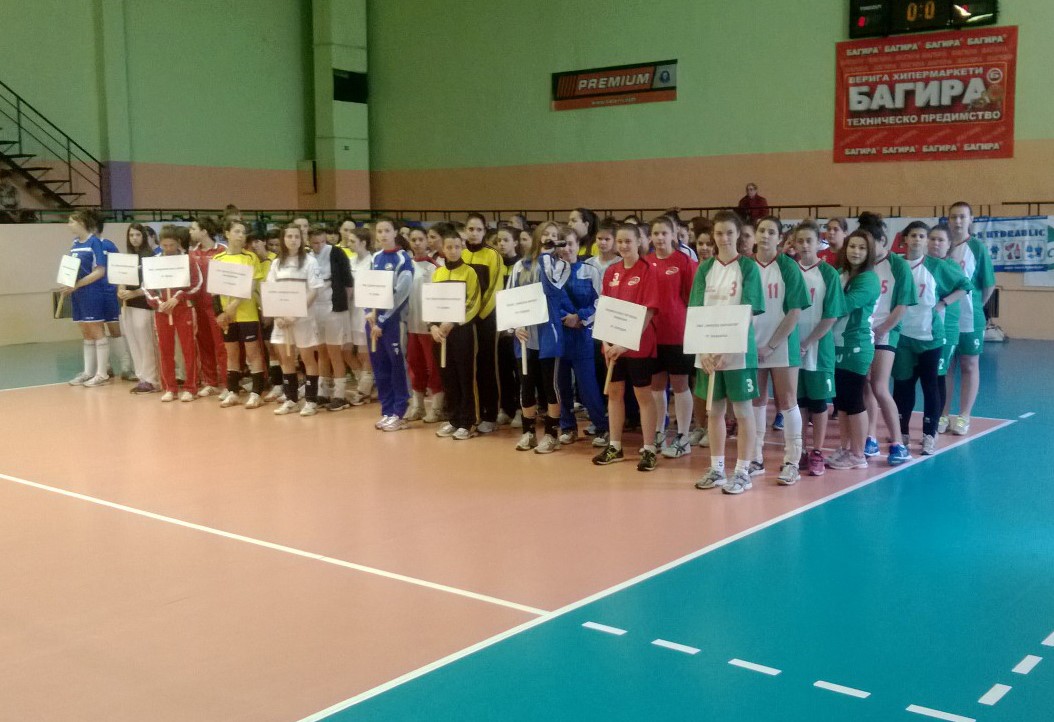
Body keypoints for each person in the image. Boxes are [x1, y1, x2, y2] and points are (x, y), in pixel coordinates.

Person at [691, 210, 766, 495]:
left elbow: (749, 310)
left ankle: (743, 471)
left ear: (738, 235)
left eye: (729, 233)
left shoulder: (748, 268)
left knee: (743, 411)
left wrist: (728, 347)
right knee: (714, 411)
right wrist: (704, 349)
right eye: (719, 233)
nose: (724, 238)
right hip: (708, 351)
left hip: (737, 352)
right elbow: (696, 310)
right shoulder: (704, 269)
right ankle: (717, 468)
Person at [891, 222, 971, 455]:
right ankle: (902, 433)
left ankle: (929, 434)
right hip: (902, 336)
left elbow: (965, 285)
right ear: (905, 239)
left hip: (930, 336)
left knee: (931, 385)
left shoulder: (937, 266)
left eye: (922, 236)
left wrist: (944, 302)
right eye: (913, 235)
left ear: (926, 240)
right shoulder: (896, 265)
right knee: (903, 385)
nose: (917, 239)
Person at [591, 223, 661, 472]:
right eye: (619, 241)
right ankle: (615, 446)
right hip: (612, 346)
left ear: (639, 242)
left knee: (643, 395)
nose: (623, 245)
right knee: (614, 393)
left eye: (628, 241)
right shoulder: (611, 271)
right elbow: (605, 309)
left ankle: (649, 448)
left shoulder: (648, 271)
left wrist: (624, 343)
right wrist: (606, 342)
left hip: (638, 346)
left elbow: (649, 311)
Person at [748, 216, 810, 485]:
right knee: (756, 400)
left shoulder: (788, 267)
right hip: (752, 344)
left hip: (782, 345)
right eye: (761, 230)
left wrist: (771, 345)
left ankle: (792, 462)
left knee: (787, 401)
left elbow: (794, 312)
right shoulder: (746, 266)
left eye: (771, 232)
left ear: (780, 238)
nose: (765, 235)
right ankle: (755, 458)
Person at [509, 221, 571, 454]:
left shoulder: (561, 265)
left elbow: (552, 288)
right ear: (537, 236)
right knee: (526, 385)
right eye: (546, 234)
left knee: (549, 386)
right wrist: (514, 326)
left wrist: (546, 257)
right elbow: (510, 297)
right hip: (525, 335)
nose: (550, 237)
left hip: (548, 334)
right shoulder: (519, 266)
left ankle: (552, 434)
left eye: (554, 235)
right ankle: (528, 432)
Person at [859, 212, 915, 465]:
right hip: (863, 331)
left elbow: (902, 305)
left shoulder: (898, 265)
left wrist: (882, 329)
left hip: (885, 331)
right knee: (865, 385)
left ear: (882, 240)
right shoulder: (863, 264)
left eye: (870, 244)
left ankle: (898, 443)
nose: (866, 249)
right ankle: (869, 436)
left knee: (880, 386)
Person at [793, 220, 847, 476]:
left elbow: (831, 315)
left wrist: (807, 342)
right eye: (800, 241)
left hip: (817, 349)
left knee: (818, 403)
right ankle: (801, 450)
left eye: (809, 241)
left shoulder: (829, 274)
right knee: (799, 403)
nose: (804, 245)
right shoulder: (790, 271)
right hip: (792, 349)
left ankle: (817, 451)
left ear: (818, 243)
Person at [827, 229, 881, 470]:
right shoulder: (841, 274)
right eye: (852, 246)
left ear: (869, 252)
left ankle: (858, 454)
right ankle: (845, 448)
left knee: (853, 399)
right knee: (841, 402)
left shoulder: (869, 279)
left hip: (856, 345)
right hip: (836, 344)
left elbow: (842, 305)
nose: (856, 251)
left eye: (862, 248)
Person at [645, 216, 698, 458]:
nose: (659, 238)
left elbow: (691, 297)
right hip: (652, 334)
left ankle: (683, 437)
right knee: (656, 386)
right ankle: (659, 430)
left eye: (664, 233)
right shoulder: (646, 263)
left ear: (673, 235)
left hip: (678, 333)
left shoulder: (685, 262)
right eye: (655, 233)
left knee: (680, 385)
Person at [945, 201, 996, 435]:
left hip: (970, 318)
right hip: (945, 318)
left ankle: (964, 416)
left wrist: (975, 307)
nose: (957, 221)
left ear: (971, 219)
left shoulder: (977, 248)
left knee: (969, 364)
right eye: (953, 217)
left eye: (962, 217)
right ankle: (943, 414)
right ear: (948, 219)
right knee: (945, 366)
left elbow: (989, 285)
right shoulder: (942, 246)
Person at [556, 227, 608, 447]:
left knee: (588, 385)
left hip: (583, 336)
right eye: (562, 244)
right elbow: (548, 301)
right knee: (562, 385)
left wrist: (580, 317)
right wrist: (564, 318)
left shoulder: (590, 271)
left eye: (570, 243)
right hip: (559, 336)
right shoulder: (551, 272)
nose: (567, 248)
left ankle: (601, 427)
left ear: (578, 245)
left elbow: (600, 301)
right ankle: (567, 427)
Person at [431, 227, 483, 440]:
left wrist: (452, 322)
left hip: (462, 332)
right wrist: (433, 326)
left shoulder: (469, 272)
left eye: (456, 247)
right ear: (442, 249)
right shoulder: (438, 273)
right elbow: (432, 302)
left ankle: (468, 421)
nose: (453, 251)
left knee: (464, 376)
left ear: (462, 248)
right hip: (442, 335)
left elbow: (473, 302)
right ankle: (453, 419)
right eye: (449, 247)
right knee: (448, 376)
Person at [268, 224, 325, 416]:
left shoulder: (310, 262)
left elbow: (314, 291)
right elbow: (271, 291)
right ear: (283, 239)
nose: (293, 240)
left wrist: (296, 313)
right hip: (282, 320)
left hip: (303, 319)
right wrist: (278, 315)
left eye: (297, 237)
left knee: (307, 358)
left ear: (302, 240)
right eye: (289, 236)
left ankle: (311, 401)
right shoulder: (276, 263)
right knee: (286, 358)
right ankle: (291, 399)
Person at [366, 217, 415, 431]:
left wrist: (382, 320)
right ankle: (386, 410)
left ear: (395, 233)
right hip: (373, 323)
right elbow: (368, 288)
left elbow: (401, 294)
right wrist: (368, 313)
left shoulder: (403, 259)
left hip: (393, 322)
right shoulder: (375, 258)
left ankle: (400, 412)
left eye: (387, 230)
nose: (383, 235)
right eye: (379, 231)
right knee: (380, 367)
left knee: (396, 367)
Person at [213, 218, 268, 409]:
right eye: (237, 231)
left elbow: (252, 285)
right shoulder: (218, 259)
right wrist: (220, 313)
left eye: (243, 232)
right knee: (232, 353)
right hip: (227, 316)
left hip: (247, 313)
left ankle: (256, 393)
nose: (241, 235)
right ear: (227, 234)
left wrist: (235, 304)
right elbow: (214, 290)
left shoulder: (250, 257)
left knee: (253, 352)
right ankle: (233, 392)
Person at [143, 225, 201, 401]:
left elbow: (197, 284)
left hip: (183, 310)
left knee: (188, 349)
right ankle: (170, 387)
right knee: (165, 349)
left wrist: (178, 298)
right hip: (162, 312)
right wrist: (158, 303)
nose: (168, 249)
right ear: (160, 244)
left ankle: (190, 388)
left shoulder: (187, 260)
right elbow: (146, 287)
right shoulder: (154, 262)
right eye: (165, 245)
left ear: (178, 243)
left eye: (172, 245)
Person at [462, 213, 504, 433]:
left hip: (485, 320)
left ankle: (489, 414)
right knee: (465, 367)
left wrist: (477, 314)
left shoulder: (492, 255)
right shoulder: (460, 254)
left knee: (487, 366)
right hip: (462, 322)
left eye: (479, 229)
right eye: (471, 229)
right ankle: (467, 414)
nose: (474, 233)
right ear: (465, 231)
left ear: (485, 231)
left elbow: (495, 288)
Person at [62, 209, 113, 387]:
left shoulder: (95, 242)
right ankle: (88, 372)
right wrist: (67, 283)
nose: (69, 225)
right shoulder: (75, 243)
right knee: (86, 332)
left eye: (72, 221)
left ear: (82, 223)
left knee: (96, 330)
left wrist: (78, 284)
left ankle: (102, 374)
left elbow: (100, 271)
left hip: (92, 291)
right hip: (78, 293)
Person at [307, 226, 354, 410]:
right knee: (321, 351)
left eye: (322, 242)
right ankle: (323, 391)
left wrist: (344, 306)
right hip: (315, 308)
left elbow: (348, 282)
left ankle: (340, 394)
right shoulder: (307, 256)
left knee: (335, 352)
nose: (319, 246)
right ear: (309, 242)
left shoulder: (337, 253)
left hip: (335, 308)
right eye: (315, 243)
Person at [927, 225, 964, 432]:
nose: (935, 243)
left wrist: (943, 303)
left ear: (949, 244)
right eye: (932, 239)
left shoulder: (951, 266)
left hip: (945, 326)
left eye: (940, 240)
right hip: (921, 329)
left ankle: (940, 417)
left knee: (939, 374)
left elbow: (965, 287)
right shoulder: (921, 263)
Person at [405, 227, 444, 421]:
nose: (417, 243)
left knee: (433, 366)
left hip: (429, 327)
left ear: (427, 241)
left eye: (421, 239)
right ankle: (418, 405)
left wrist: (435, 323)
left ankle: (437, 407)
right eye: (413, 239)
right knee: (415, 365)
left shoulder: (435, 267)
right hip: (411, 325)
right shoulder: (406, 265)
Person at [117, 224, 160, 394]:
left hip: (144, 305)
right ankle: (141, 377)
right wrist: (121, 290)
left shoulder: (150, 257)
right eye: (131, 235)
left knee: (146, 342)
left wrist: (134, 293)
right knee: (133, 342)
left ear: (143, 236)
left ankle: (152, 379)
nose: (134, 238)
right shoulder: (126, 257)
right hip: (127, 305)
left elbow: (152, 284)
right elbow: (120, 278)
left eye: (137, 235)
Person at [188, 215, 227, 397]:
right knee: (204, 344)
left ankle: (227, 383)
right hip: (198, 305)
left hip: (218, 306)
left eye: (193, 228)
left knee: (222, 345)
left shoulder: (222, 250)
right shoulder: (192, 253)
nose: (190, 231)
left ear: (204, 231)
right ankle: (210, 382)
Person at [344, 223, 376, 404]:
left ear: (363, 243)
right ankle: (364, 382)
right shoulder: (349, 261)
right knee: (346, 352)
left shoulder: (373, 262)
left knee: (365, 354)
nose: (349, 244)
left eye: (352, 241)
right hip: (350, 310)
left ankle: (364, 389)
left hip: (365, 312)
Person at [494, 225, 522, 427]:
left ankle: (521, 409)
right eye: (498, 241)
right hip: (497, 325)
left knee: (518, 369)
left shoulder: (521, 265)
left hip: (516, 325)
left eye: (506, 240)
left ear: (515, 242)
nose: (501, 244)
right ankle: (506, 407)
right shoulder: (496, 265)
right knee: (502, 368)